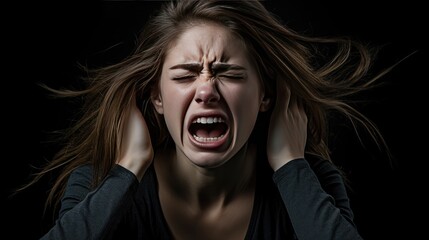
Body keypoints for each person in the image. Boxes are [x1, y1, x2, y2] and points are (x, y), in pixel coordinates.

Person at [22, 0, 397, 239]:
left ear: (266, 95)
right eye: (185, 75)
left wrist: (290, 166)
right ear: (156, 97)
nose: (206, 91)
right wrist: (130, 168)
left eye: (230, 74)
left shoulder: (314, 183)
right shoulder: (97, 181)